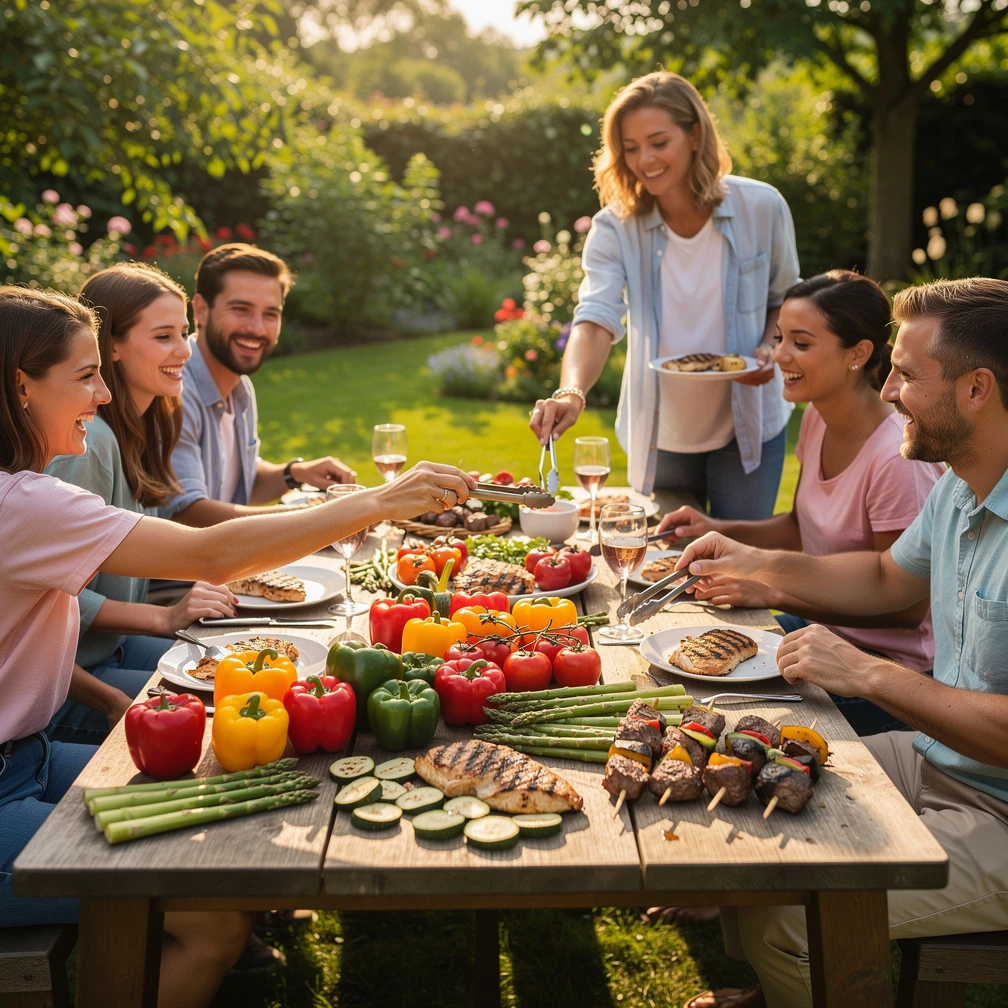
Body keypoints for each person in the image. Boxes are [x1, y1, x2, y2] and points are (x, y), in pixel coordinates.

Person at [0, 284, 472, 1006]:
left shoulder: (27, 491)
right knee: (215, 916)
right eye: (85, 376)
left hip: (28, 756)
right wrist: (377, 500)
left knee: (229, 804)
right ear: (21, 387)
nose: (101, 396)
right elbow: (212, 555)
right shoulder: (28, 505)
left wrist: (99, 696)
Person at [674, 277, 1008, 1008]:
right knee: (738, 787)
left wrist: (870, 675)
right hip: (940, 762)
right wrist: (752, 564)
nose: (887, 394)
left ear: (978, 388)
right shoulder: (959, 483)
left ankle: (797, 970)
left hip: (1003, 811)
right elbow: (888, 578)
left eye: (907, 375)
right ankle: (787, 991)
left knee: (794, 912)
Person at [655, 271, 945, 737]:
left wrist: (774, 592)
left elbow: (910, 609)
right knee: (684, 645)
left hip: (883, 673)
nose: (778, 355)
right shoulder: (816, 417)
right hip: (817, 632)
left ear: (859, 353)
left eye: (801, 343)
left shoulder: (897, 458)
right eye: (779, 338)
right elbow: (800, 525)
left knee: (723, 721)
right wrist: (716, 527)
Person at [529, 71, 800, 519]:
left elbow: (785, 299)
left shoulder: (762, 207)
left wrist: (770, 349)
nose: (644, 160)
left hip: (748, 426)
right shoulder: (614, 228)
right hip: (660, 434)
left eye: (658, 142)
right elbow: (596, 317)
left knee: (739, 570)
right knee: (664, 567)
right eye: (630, 148)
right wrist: (571, 390)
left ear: (695, 134)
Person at [44, 263, 237, 745]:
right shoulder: (92, 444)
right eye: (164, 336)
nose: (184, 351)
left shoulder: (142, 428)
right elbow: (53, 591)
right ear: (112, 344)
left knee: (241, 675)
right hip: (67, 681)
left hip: (112, 650)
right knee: (222, 710)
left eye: (185, 333)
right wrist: (163, 617)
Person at [164, 243, 356, 526]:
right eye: (241, 309)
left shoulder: (241, 388)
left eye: (271, 314)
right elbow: (187, 515)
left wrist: (295, 473)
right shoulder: (176, 392)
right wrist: (320, 518)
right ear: (201, 310)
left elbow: (240, 482)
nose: (257, 328)